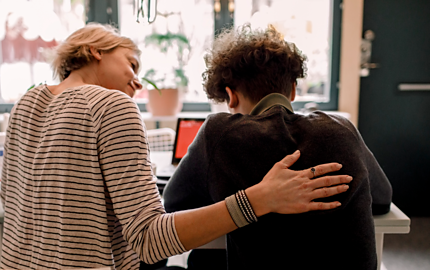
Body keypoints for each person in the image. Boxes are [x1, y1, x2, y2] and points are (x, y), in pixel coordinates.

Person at [0, 23, 353, 270]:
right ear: (95, 51)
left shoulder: (24, 104)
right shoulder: (112, 105)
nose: (137, 83)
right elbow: (150, 241)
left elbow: (13, 201)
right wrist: (260, 198)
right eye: (132, 65)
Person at [163, 24, 393, 270]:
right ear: (293, 90)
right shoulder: (341, 128)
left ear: (231, 97)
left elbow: (174, 203)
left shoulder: (220, 134)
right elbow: (381, 199)